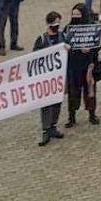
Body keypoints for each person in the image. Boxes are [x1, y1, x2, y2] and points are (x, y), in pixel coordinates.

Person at [61, 3, 100, 127]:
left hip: (89, 64)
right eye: (73, 14)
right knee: (73, 92)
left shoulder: (92, 26)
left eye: (78, 14)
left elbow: (99, 42)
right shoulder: (69, 27)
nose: (75, 16)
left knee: (90, 90)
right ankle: (71, 117)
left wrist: (90, 48)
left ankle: (92, 114)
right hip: (74, 66)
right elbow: (65, 42)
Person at [34, 11, 65, 147]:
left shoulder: (62, 37)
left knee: (57, 102)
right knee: (46, 104)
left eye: (58, 23)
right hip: (46, 78)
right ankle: (46, 129)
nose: (56, 26)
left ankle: (53, 125)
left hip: (58, 78)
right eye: (54, 23)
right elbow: (34, 58)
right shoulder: (41, 39)